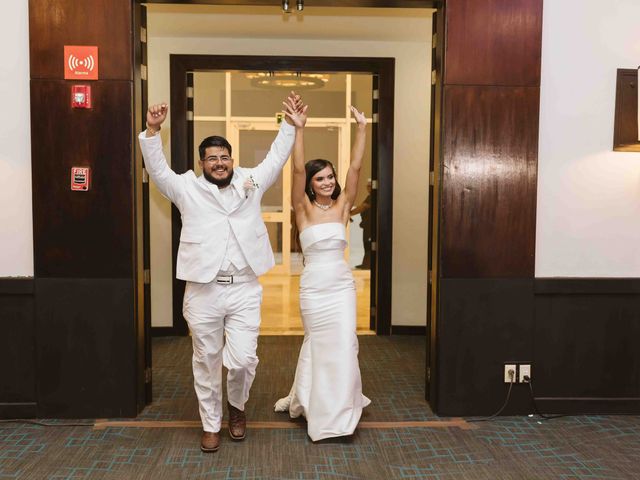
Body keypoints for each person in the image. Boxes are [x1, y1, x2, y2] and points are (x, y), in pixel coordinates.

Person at [139, 92, 304, 453]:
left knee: (244, 358)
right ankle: (211, 423)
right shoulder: (186, 188)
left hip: (245, 287)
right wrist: (152, 132)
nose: (219, 162)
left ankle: (237, 406)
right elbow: (158, 171)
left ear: (232, 159)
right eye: (212, 158)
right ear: (202, 162)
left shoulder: (250, 181)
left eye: (224, 156)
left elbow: (276, 158)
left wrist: (290, 125)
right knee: (207, 358)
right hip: (203, 289)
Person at [274, 102, 371, 441]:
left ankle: (341, 409)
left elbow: (356, 168)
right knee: (318, 343)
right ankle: (310, 400)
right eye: (321, 178)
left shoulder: (344, 207)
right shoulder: (302, 210)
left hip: (341, 287)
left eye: (331, 176)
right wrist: (299, 129)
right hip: (314, 289)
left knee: (345, 343)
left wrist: (363, 127)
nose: (328, 182)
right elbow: (297, 169)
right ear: (311, 185)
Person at [350, 178, 372, 269]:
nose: (368, 188)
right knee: (366, 245)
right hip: (367, 225)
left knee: (368, 245)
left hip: (371, 226)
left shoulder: (372, 196)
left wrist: (349, 213)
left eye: (370, 186)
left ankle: (368, 264)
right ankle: (366, 263)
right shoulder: (370, 196)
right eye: (367, 186)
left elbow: (363, 207)